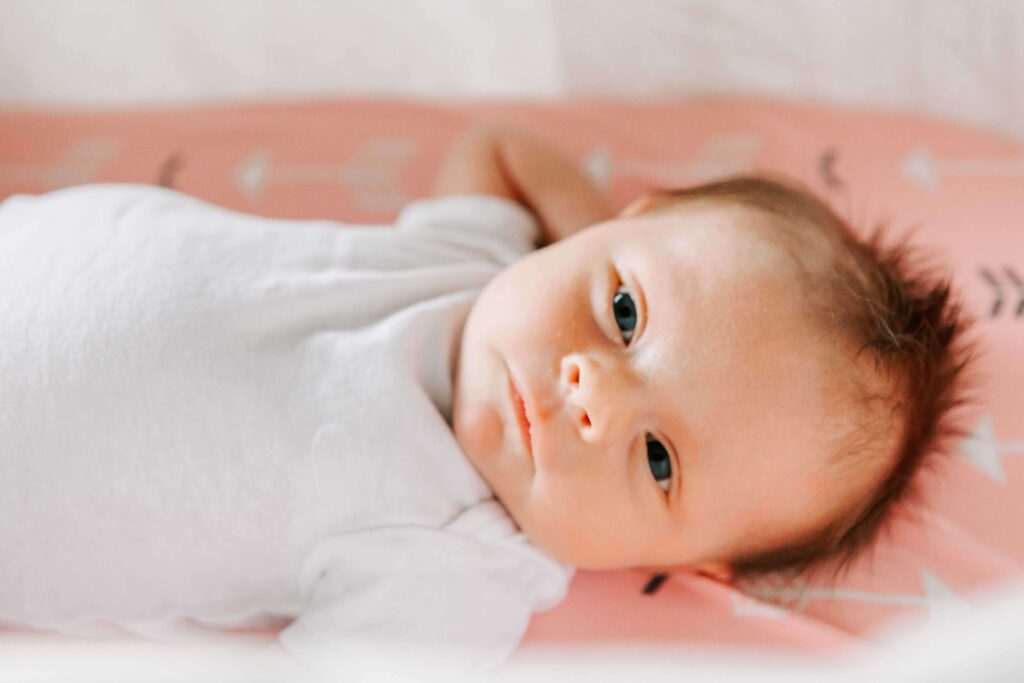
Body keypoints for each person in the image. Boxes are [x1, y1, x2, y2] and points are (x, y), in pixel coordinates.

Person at [0, 122, 971, 676]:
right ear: (609, 232)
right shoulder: (476, 262)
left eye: (658, 458)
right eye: (626, 311)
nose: (593, 392)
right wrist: (576, 248)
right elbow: (499, 148)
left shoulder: (463, 565)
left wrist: (605, 274)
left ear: (689, 563)